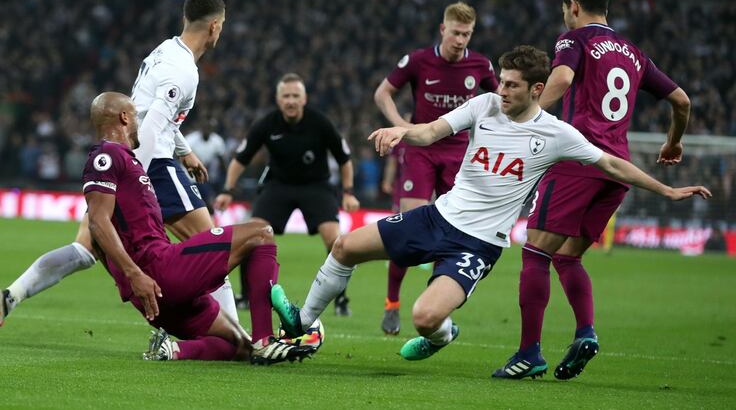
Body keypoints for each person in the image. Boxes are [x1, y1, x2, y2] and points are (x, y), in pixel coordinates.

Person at [268, 46, 709, 367]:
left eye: (512, 85)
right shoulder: (483, 105)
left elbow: (613, 163)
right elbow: (432, 131)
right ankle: (304, 327)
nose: (501, 90)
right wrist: (402, 131)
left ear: (538, 89)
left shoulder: (555, 134)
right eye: (501, 80)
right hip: (437, 216)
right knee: (344, 247)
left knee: (423, 318)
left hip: (477, 246)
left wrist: (668, 192)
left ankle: (443, 334)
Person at [0, 0, 238, 343]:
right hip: (150, 166)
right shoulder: (184, 72)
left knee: (85, 249)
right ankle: (236, 341)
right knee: (213, 250)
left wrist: (185, 150)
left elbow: (146, 112)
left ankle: (8, 297)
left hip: (125, 161)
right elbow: (154, 126)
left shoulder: (163, 51)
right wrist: (137, 180)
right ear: (216, 26)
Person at [493, 0, 693, 380]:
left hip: (577, 159)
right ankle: (585, 332)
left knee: (535, 253)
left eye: (564, 8)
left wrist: (525, 120)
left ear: (575, 7)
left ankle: (528, 353)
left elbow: (563, 79)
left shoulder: (575, 40)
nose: (564, 15)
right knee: (568, 256)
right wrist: (673, 142)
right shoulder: (634, 52)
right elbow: (681, 100)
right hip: (617, 168)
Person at [82, 91, 312, 364]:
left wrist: (130, 286)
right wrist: (135, 274)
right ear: (124, 117)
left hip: (153, 292)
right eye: (135, 117)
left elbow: (99, 240)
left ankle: (175, 351)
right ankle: (265, 339)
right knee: (261, 234)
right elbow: (97, 223)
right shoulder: (108, 155)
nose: (138, 124)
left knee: (239, 347)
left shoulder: (129, 161)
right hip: (159, 269)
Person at [373, 1, 499, 334]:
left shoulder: (481, 65)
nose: (461, 40)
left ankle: (438, 303)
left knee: (457, 232)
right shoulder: (418, 61)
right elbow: (383, 93)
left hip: (460, 154)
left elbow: (504, 103)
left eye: (467, 34)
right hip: (420, 151)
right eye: (456, 32)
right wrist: (401, 125)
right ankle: (392, 303)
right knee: (408, 228)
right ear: (443, 29)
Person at [214, 73, 360, 316]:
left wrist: (348, 192)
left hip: (316, 185)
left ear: (304, 99)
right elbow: (241, 159)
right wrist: (228, 190)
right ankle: (244, 295)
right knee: (252, 232)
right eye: (286, 96)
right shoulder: (266, 124)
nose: (291, 101)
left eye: (295, 96)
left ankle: (341, 300)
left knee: (334, 239)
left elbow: (344, 160)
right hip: (278, 185)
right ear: (278, 100)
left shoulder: (320, 122)